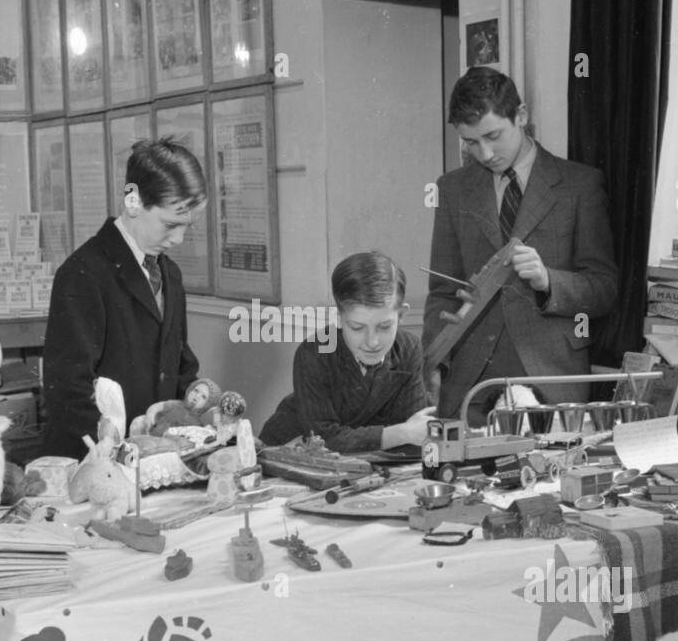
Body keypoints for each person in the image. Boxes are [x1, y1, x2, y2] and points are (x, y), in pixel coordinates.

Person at [424, 67, 617, 421]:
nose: (484, 153)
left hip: (553, 379)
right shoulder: (451, 189)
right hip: (469, 380)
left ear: (522, 116)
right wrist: (435, 359)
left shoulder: (580, 186)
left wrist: (549, 281)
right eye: (470, 142)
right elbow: (442, 290)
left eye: (493, 136)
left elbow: (604, 289)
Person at [43, 138, 203, 459]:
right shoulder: (82, 273)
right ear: (133, 202)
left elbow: (179, 366)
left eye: (187, 226)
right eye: (170, 224)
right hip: (92, 462)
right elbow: (67, 390)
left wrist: (202, 408)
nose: (178, 239)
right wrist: (116, 449)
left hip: (152, 458)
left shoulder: (169, 275)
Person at [260, 251, 433, 452]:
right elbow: (324, 439)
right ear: (339, 318)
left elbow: (417, 429)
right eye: (357, 328)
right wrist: (401, 433)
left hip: (365, 461)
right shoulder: (314, 353)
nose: (372, 342)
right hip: (287, 451)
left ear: (401, 314)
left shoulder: (409, 349)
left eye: (384, 326)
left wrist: (407, 433)